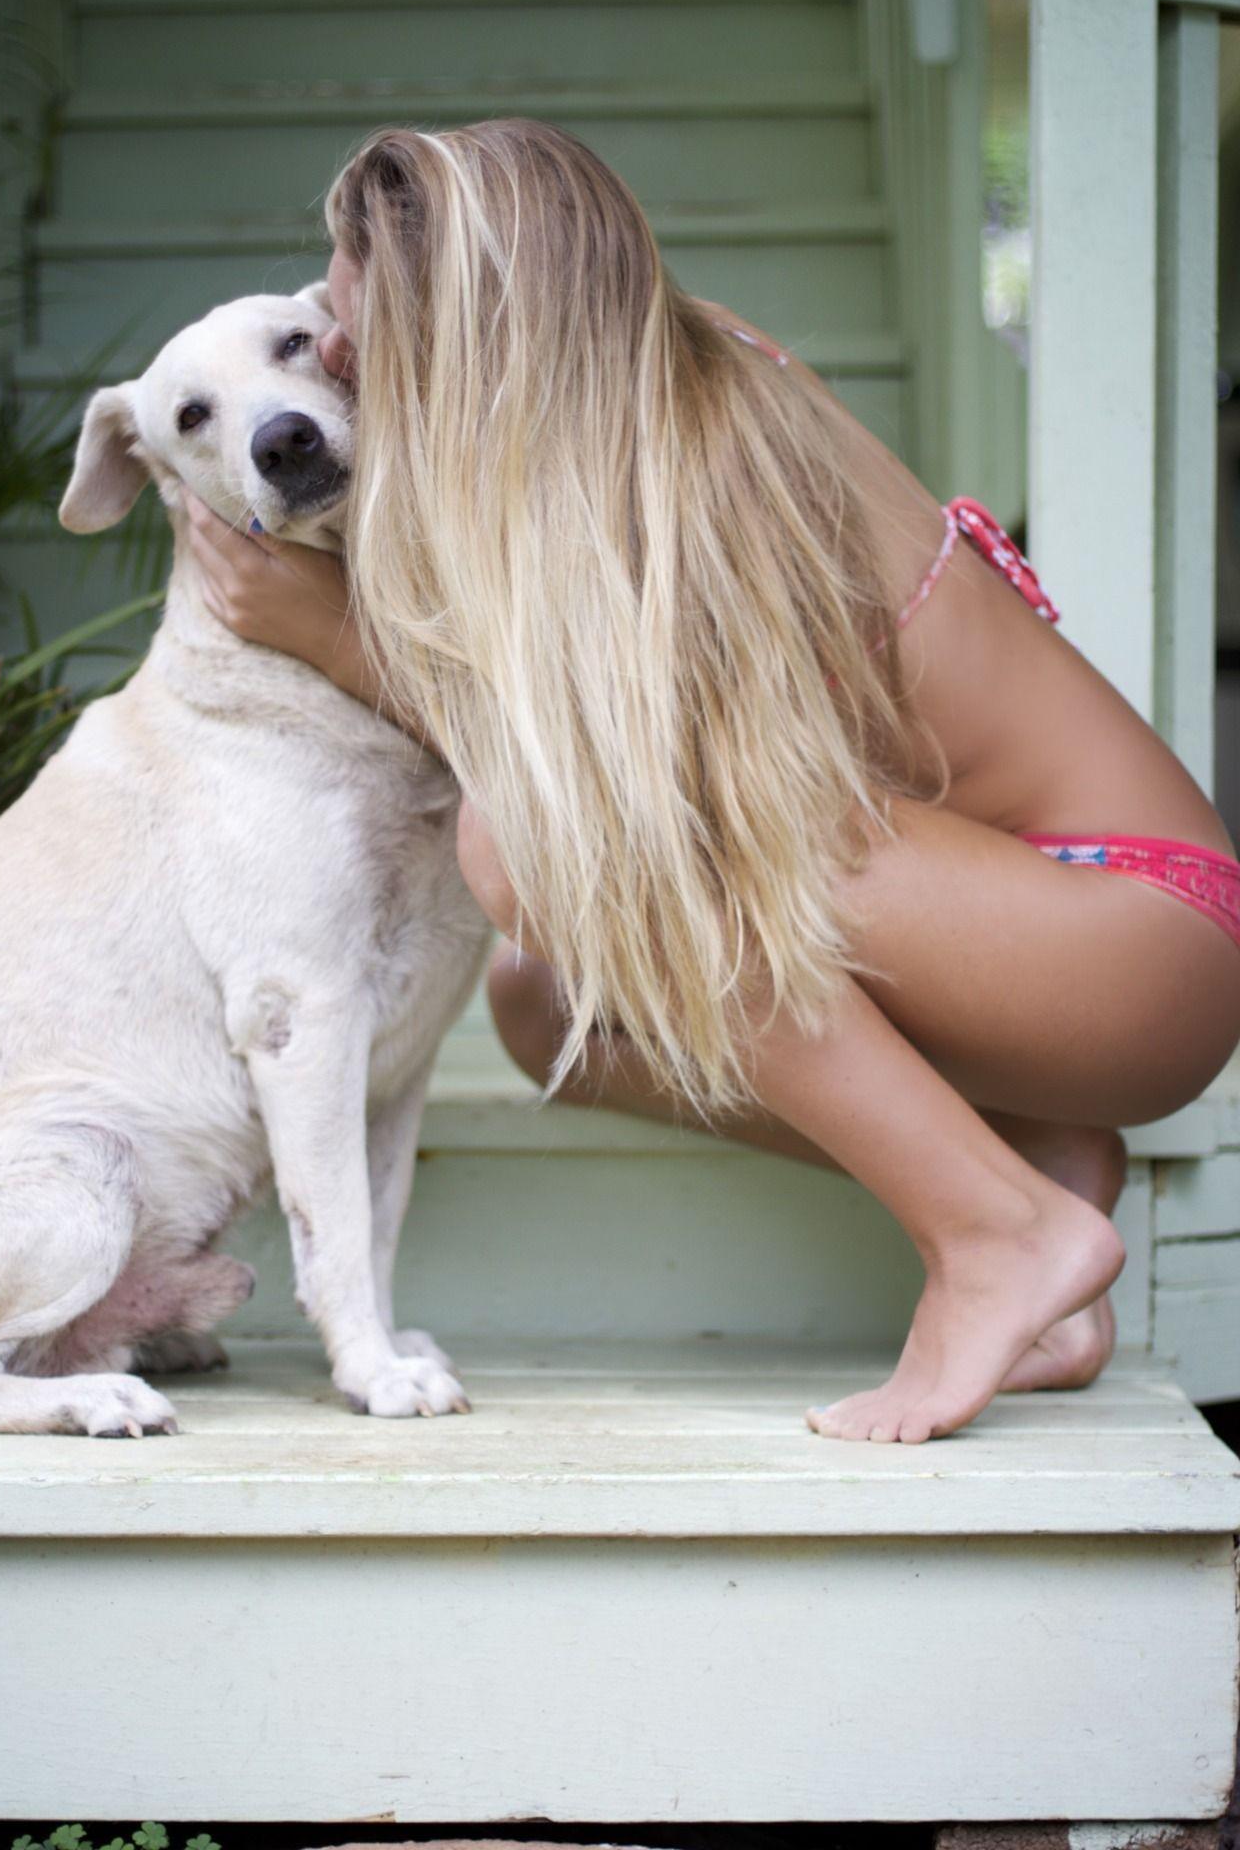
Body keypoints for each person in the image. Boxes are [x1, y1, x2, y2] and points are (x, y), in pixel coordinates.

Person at [184, 118, 1240, 1444]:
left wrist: (336, 640)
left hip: (1130, 925)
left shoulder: (676, 464)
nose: (337, 359)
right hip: (1033, 937)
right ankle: (1029, 1162)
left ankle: (995, 1236)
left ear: (469, 336)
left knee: (536, 853)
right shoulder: (632, 406)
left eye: (352, 330)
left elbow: (596, 805)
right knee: (548, 1004)